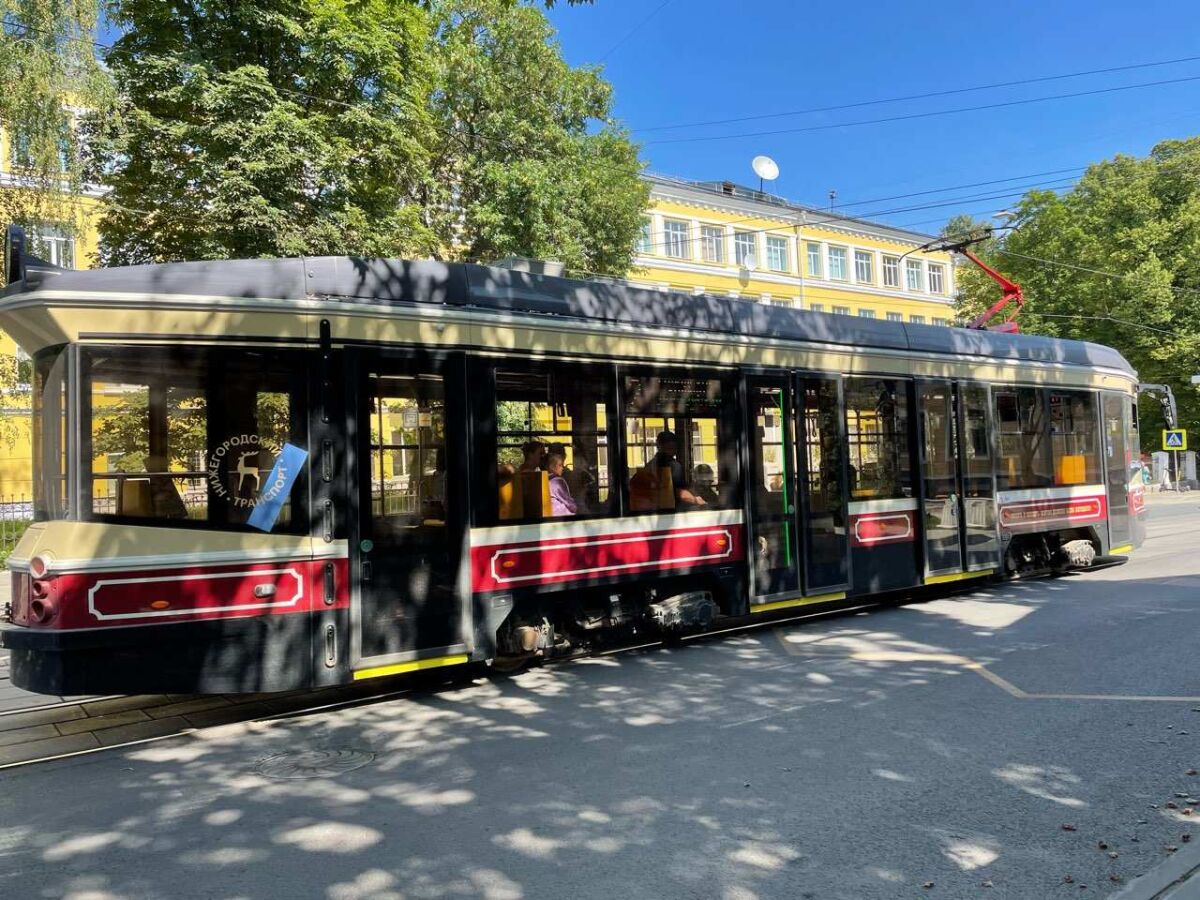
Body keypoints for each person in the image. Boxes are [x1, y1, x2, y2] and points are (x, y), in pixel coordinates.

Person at [653, 430, 706, 509]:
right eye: (670, 448)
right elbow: (678, 492)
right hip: (673, 508)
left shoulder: (651, 464)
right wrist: (696, 500)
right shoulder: (674, 466)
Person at [546, 451, 576, 517]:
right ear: (551, 466)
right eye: (560, 465)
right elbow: (567, 501)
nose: (562, 468)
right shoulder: (557, 481)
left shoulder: (545, 479)